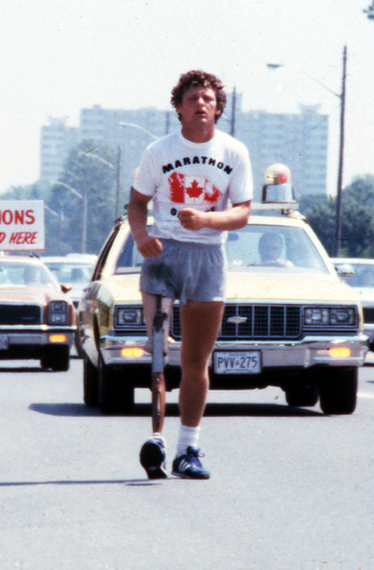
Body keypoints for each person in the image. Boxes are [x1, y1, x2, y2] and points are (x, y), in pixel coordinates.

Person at [128, 71, 252, 479]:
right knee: (159, 354)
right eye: (193, 98)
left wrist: (206, 219)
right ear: (178, 107)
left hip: (208, 257)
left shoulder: (233, 152)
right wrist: (142, 235)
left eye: (209, 99)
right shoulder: (157, 151)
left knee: (196, 360)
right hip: (164, 255)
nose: (201, 104)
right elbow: (136, 203)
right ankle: (157, 442)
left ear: (218, 108)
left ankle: (189, 450)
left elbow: (243, 213)